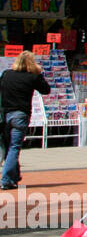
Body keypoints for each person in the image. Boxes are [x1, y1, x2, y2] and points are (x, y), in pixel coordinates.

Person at [1, 51, 50, 190]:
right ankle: (7, 179)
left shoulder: (6, 74)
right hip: (20, 115)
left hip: (5, 114)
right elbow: (46, 90)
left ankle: (13, 176)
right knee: (14, 147)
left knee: (9, 146)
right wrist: (39, 74)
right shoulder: (32, 77)